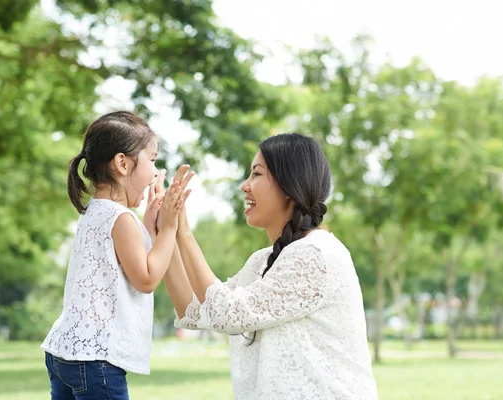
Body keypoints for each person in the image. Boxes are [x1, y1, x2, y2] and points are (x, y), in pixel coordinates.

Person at [159, 133, 378, 400]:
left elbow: (227, 313)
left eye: (256, 174)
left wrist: (184, 232)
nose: (244, 186)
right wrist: (165, 233)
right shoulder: (262, 261)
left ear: (289, 185)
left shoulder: (316, 254)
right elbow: (195, 310)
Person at [41, 111, 192, 400]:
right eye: (152, 159)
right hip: (95, 359)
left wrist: (149, 224)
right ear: (122, 163)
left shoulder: (95, 211)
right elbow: (146, 279)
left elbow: (128, 259)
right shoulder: (121, 218)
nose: (154, 171)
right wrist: (170, 226)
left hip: (65, 352)